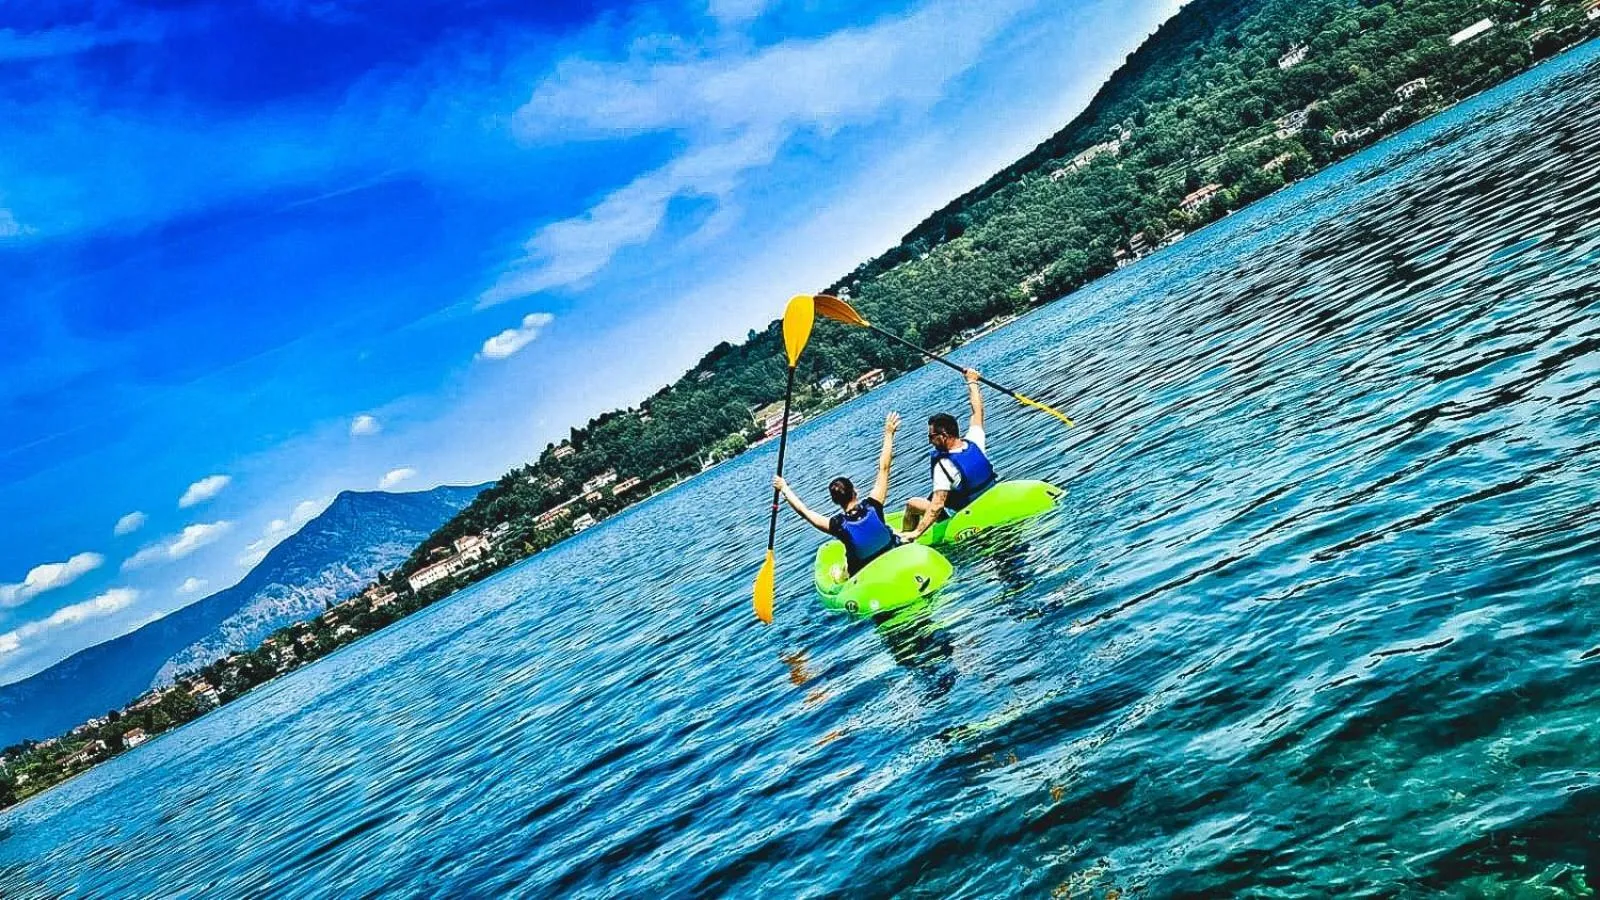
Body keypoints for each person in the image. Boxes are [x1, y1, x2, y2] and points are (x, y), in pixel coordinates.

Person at [774, 412, 902, 575]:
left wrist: (784, 488)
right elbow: (884, 468)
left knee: (837, 572)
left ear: (835, 501)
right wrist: (889, 433)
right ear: (855, 491)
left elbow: (804, 512)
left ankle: (839, 574)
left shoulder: (837, 525)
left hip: (865, 572)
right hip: (893, 555)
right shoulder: (874, 505)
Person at [898, 368, 997, 542]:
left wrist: (917, 532)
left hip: (969, 513)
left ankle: (903, 543)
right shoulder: (974, 441)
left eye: (931, 437)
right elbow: (977, 411)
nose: (929, 441)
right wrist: (972, 381)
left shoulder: (944, 465)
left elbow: (937, 505)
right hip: (991, 500)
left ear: (943, 436)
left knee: (911, 504)